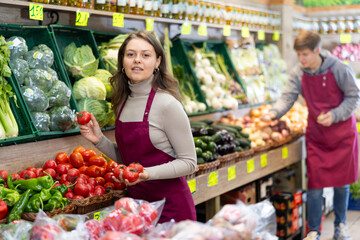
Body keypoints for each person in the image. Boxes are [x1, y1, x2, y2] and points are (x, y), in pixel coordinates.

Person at [78, 30, 197, 223]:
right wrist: (99, 140)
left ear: (157, 62)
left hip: (171, 208)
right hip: (137, 208)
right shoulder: (123, 102)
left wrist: (148, 174)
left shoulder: (167, 104)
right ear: (122, 61)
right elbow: (129, 159)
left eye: (145, 55)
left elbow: (189, 162)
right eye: (130, 54)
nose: (137, 60)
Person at [263, 30, 359, 240]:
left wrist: (335, 115)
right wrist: (273, 112)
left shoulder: (339, 68)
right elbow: (287, 97)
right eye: (298, 55)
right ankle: (313, 230)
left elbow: (354, 96)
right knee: (315, 184)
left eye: (305, 54)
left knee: (342, 184)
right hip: (318, 137)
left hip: (342, 134)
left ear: (317, 51)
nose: (301, 59)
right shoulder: (299, 73)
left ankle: (340, 226)